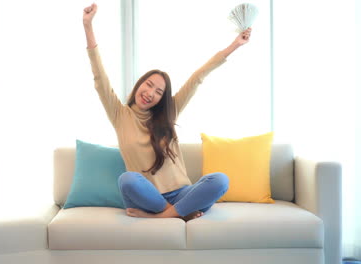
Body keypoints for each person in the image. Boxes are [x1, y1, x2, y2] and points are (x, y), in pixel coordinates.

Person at [83, 3, 251, 221]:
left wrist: (234, 45)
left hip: (183, 194)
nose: (150, 93)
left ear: (162, 98)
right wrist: (88, 25)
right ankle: (180, 214)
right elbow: (100, 77)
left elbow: (197, 77)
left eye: (159, 91)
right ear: (139, 84)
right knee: (127, 180)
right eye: (148, 84)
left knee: (220, 180)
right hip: (147, 196)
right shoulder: (119, 114)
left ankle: (162, 216)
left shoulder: (169, 113)